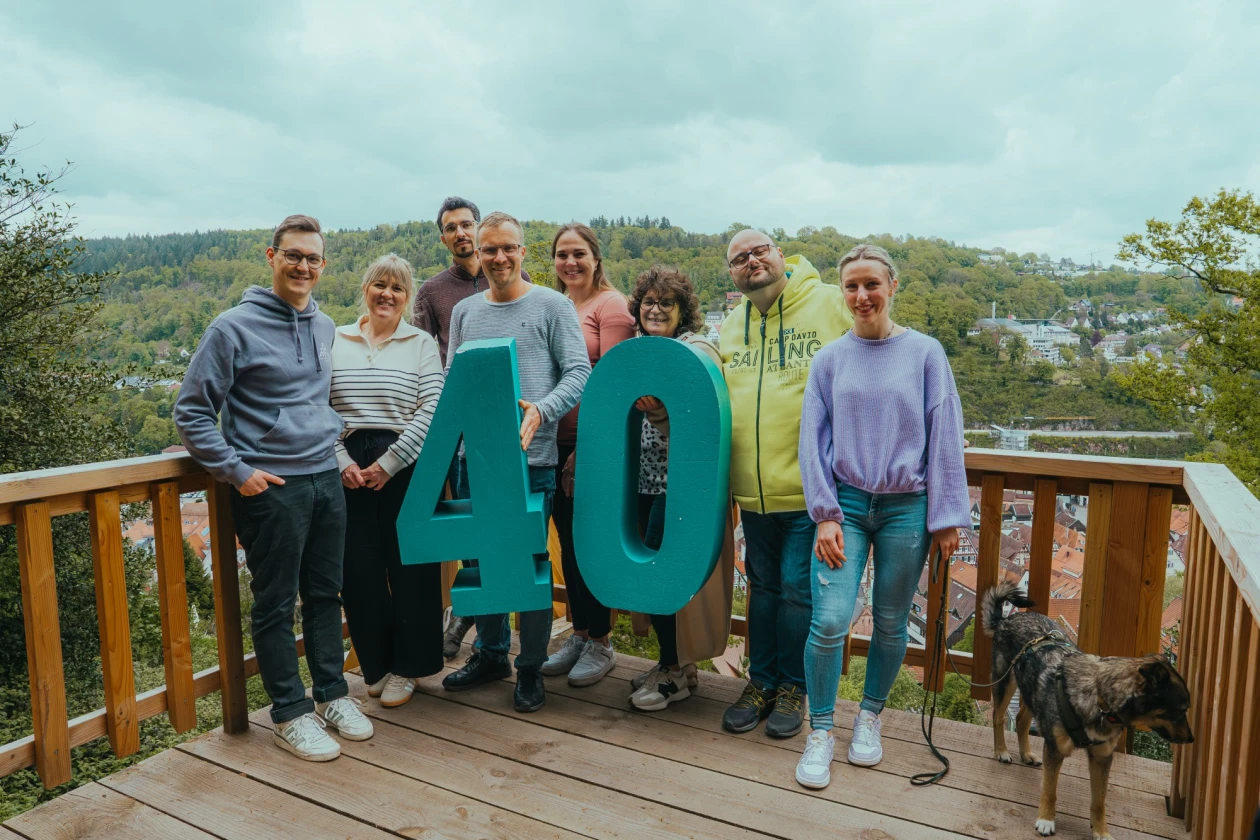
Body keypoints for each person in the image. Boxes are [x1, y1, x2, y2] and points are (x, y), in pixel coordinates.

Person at [174, 214, 372, 761]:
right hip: (273, 486)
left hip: (326, 479)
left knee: (327, 597)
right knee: (275, 603)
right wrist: (238, 471)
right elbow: (191, 413)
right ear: (272, 257)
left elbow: (318, 404)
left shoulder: (326, 325)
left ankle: (332, 694)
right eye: (294, 255)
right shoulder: (231, 328)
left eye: (313, 258)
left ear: (323, 265)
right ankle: (290, 712)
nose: (303, 266)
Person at [793, 244, 968, 789]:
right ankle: (820, 729)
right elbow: (811, 442)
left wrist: (946, 517)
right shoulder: (830, 360)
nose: (862, 296)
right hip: (844, 502)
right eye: (851, 286)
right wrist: (823, 514)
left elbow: (945, 435)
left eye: (871, 284)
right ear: (842, 293)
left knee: (891, 621)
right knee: (829, 620)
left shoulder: (925, 354)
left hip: (906, 507)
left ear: (892, 287)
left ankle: (869, 716)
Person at [440, 211, 591, 713]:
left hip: (534, 460)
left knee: (528, 567)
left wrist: (542, 411)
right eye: (489, 250)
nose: (499, 258)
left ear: (524, 252)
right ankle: (490, 654)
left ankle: (529, 668)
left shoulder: (551, 306)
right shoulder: (465, 313)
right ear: (476, 255)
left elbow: (578, 373)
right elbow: (451, 384)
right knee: (479, 562)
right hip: (472, 460)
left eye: (508, 248)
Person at [717, 230, 853, 739]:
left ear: (781, 256)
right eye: (738, 259)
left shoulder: (828, 304)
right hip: (753, 493)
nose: (751, 262)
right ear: (731, 273)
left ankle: (794, 687)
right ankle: (762, 682)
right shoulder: (732, 324)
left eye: (760, 251)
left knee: (799, 592)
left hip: (810, 490)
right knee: (765, 590)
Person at [413, 196, 531, 660]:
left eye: (467, 225)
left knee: (513, 544)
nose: (461, 233)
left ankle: (488, 636)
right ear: (444, 238)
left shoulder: (516, 279)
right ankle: (485, 639)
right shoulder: (433, 292)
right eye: (451, 228)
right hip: (460, 433)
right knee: (472, 539)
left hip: (511, 432)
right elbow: (425, 358)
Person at [331, 254, 445, 709]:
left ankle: (410, 667)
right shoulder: (335, 339)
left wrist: (390, 462)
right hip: (346, 466)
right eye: (380, 284)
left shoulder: (420, 343)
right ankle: (376, 665)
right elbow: (317, 406)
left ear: (407, 296)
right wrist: (341, 459)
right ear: (366, 288)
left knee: (410, 568)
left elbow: (431, 408)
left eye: (398, 288)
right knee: (356, 570)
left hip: (405, 463)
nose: (387, 294)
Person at [620, 265, 735, 712]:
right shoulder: (638, 352)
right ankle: (677, 665)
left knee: (663, 575)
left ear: (682, 311)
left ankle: (672, 672)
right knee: (652, 569)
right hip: (643, 482)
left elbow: (701, 423)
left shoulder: (695, 350)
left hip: (681, 489)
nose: (655, 309)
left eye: (666, 303)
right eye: (648, 301)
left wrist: (659, 414)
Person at [540, 224, 635, 687]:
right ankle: (579, 633)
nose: (570, 262)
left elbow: (615, 381)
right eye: (561, 254)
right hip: (549, 442)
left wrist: (585, 449)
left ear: (596, 258)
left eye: (579, 253)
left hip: (590, 446)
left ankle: (602, 641)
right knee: (568, 545)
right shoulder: (557, 305)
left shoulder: (610, 306)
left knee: (590, 544)